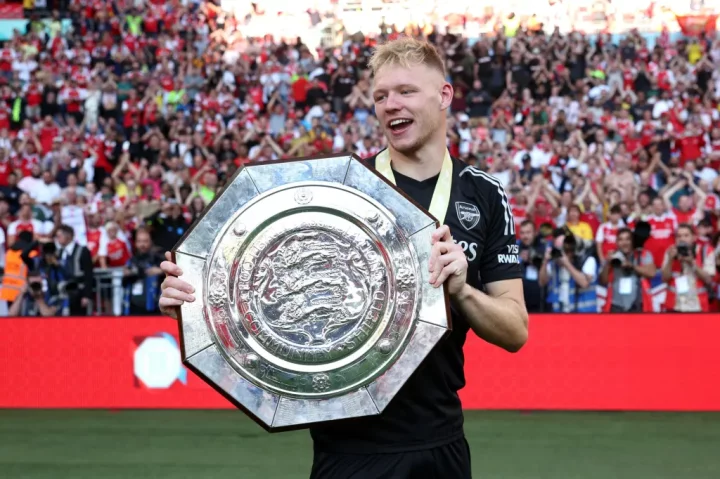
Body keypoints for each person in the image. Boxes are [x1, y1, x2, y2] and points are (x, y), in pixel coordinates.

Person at [159, 37, 529, 479]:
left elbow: (515, 331)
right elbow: (276, 295)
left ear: (444, 95)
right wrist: (195, 304)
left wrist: (461, 291)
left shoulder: (484, 193)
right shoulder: (343, 191)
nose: (391, 104)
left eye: (406, 91)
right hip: (346, 452)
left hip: (440, 445)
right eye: (380, 96)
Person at [599, 228, 656, 313]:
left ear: (632, 241)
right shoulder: (613, 256)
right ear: (616, 243)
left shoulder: (642, 254)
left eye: (627, 239)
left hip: (638, 304)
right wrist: (607, 263)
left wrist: (632, 266)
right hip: (616, 305)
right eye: (620, 240)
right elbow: (603, 281)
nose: (624, 243)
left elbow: (652, 273)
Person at [661, 224, 716, 312]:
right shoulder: (670, 251)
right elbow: (665, 278)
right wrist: (671, 260)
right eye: (679, 236)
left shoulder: (705, 251)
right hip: (674, 305)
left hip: (697, 305)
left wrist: (692, 263)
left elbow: (709, 279)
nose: (682, 239)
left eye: (686, 235)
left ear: (694, 237)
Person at [55, 224, 94, 316]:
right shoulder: (59, 252)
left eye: (59, 236)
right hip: (62, 292)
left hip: (78, 292)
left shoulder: (83, 250)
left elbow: (89, 274)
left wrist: (86, 295)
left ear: (68, 236)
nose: (58, 239)